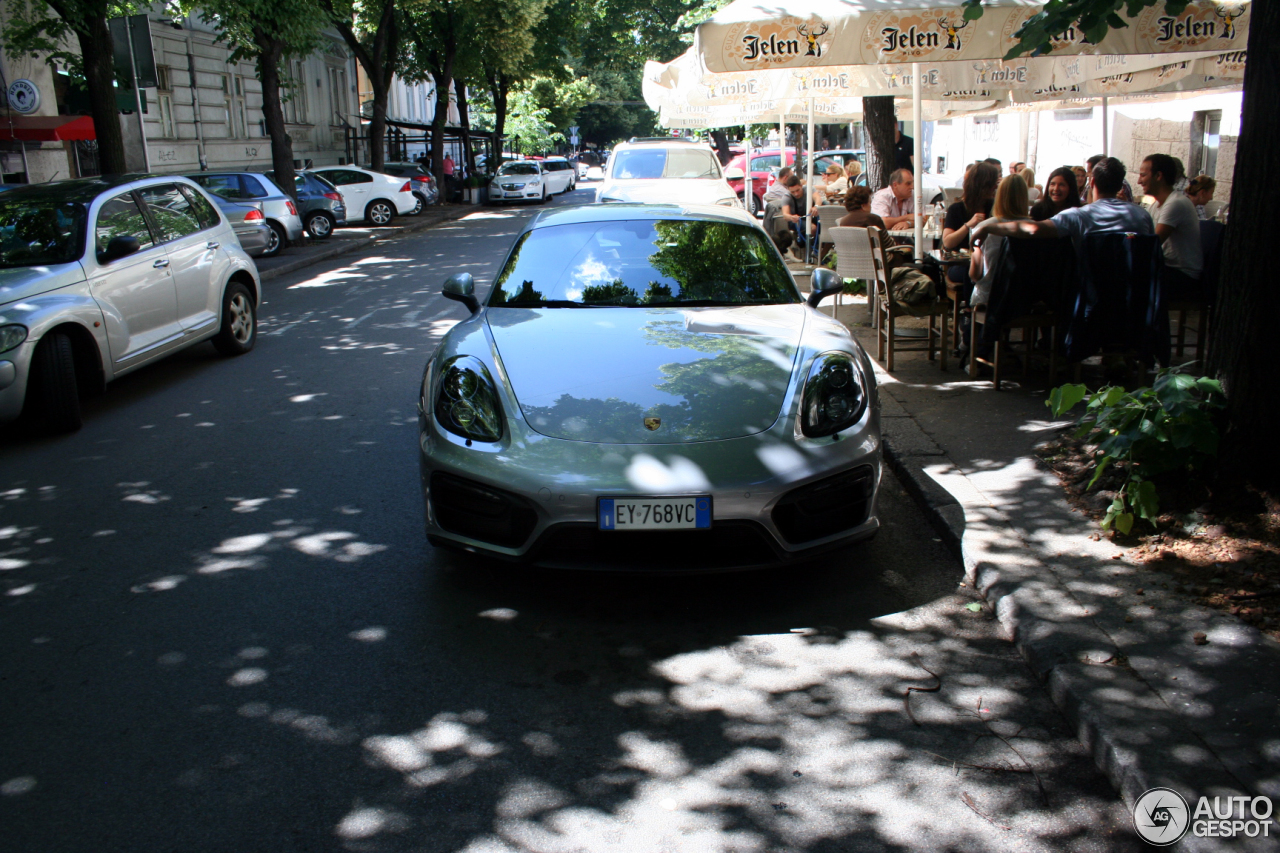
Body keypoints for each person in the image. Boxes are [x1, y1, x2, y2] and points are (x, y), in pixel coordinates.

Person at [971, 157, 1153, 272]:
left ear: (1093, 181)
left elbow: (1032, 229)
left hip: (1090, 293)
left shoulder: (1079, 216)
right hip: (1134, 296)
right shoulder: (1142, 216)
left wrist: (988, 227)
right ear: (1121, 185)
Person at [1138, 153, 1202, 300]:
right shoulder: (1157, 204)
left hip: (1182, 275)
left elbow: (1152, 244)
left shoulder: (1175, 204)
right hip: (1166, 268)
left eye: (1143, 175)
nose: (1139, 181)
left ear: (1158, 175)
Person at [970, 175, 1031, 310]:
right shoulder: (1035, 228)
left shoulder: (982, 228)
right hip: (1024, 298)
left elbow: (975, 275)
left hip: (989, 298)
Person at [942, 161, 998, 252]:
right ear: (982, 186)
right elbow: (947, 243)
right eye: (992, 184)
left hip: (986, 260)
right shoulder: (956, 209)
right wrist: (968, 225)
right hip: (962, 261)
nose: (996, 187)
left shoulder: (994, 206)